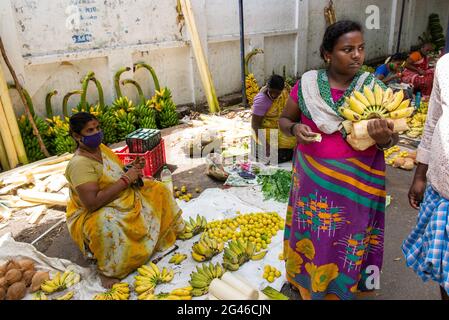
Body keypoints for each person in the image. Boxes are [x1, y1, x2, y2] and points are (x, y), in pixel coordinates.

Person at [279, 21, 398, 300]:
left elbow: (391, 141)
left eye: (360, 48)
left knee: (350, 240)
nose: (357, 55)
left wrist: (383, 138)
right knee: (312, 237)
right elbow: (285, 120)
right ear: (327, 54)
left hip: (356, 189)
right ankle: (303, 285)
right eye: (347, 49)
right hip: (312, 188)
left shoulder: (374, 90)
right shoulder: (307, 86)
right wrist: (296, 129)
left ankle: (344, 290)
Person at [65, 112, 183, 288]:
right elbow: (92, 203)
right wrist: (127, 179)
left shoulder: (101, 149)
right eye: (90, 130)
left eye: (97, 127)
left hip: (121, 194)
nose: (97, 132)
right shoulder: (79, 165)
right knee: (107, 224)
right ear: (76, 136)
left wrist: (132, 170)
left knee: (158, 190)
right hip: (96, 210)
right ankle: (109, 271)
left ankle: (158, 239)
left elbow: (114, 174)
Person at [402, 53, 449, 300]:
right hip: (442, 191)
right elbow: (432, 123)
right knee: (444, 272)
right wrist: (420, 173)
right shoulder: (445, 66)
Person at [251, 75, 296, 164]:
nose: (274, 95)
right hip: (266, 130)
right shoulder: (262, 101)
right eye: (271, 92)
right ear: (267, 87)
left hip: (280, 127)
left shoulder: (286, 90)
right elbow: (255, 125)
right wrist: (266, 146)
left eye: (277, 93)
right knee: (269, 156)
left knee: (298, 140)